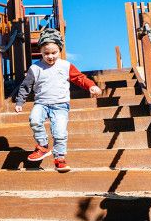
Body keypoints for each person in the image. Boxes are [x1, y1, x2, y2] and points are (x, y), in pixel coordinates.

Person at [14, 28, 102, 173]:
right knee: (34, 119)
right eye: (46, 53)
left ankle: (59, 159)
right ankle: (43, 146)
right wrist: (19, 102)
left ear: (59, 50)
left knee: (60, 133)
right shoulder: (35, 68)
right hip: (41, 103)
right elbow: (25, 86)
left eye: (54, 53)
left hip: (60, 105)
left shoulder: (65, 66)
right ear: (40, 52)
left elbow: (79, 78)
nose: (50, 56)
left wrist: (91, 86)